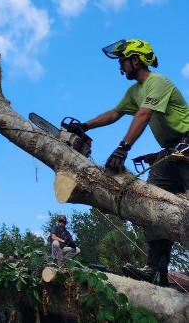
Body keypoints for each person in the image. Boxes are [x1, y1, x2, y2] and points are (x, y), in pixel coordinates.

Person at [64, 38, 189, 287]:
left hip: (187, 145)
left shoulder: (157, 82)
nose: (121, 68)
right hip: (171, 151)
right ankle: (156, 271)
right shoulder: (134, 91)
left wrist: (122, 148)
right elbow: (114, 113)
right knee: (154, 204)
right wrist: (84, 126)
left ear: (135, 60)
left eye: (123, 62)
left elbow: (145, 115)